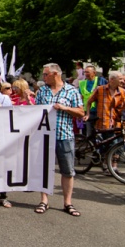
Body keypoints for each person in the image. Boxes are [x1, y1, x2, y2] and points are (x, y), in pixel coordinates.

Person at [34, 63, 84, 217]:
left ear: (55, 74)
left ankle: (67, 202)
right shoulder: (42, 91)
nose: (43, 77)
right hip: (45, 136)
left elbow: (81, 112)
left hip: (65, 136)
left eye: (45, 74)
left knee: (67, 170)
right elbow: (35, 112)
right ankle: (44, 200)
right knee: (44, 169)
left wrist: (65, 108)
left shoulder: (71, 91)